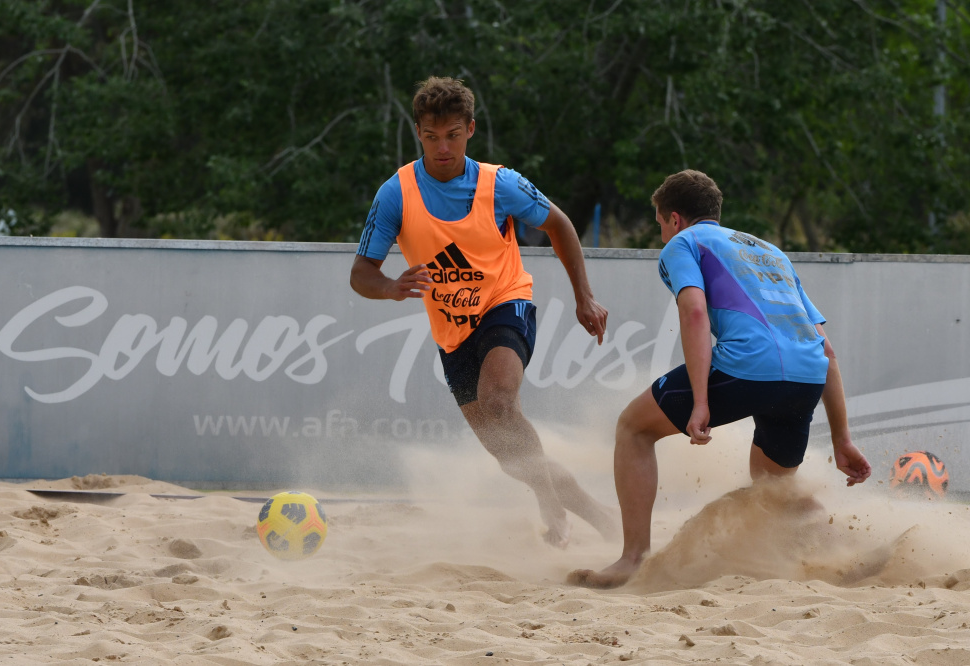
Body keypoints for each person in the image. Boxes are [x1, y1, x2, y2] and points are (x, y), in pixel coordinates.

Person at [567, 169, 872, 588]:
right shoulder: (771, 252)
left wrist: (700, 402)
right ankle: (847, 554)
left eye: (660, 224)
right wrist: (843, 439)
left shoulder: (684, 243)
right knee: (773, 488)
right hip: (806, 377)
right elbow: (827, 349)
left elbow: (694, 312)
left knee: (633, 428)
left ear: (675, 219)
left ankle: (632, 559)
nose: (662, 234)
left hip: (748, 365)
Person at [349, 76, 618, 547]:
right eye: (432, 137)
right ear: (418, 133)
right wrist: (390, 288)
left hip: (504, 302)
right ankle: (597, 514)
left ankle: (551, 503)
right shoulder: (396, 192)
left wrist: (584, 296)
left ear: (470, 129)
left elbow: (559, 225)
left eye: (453, 135)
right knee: (507, 453)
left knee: (499, 403)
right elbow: (360, 273)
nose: (443, 148)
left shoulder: (500, 183)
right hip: (452, 333)